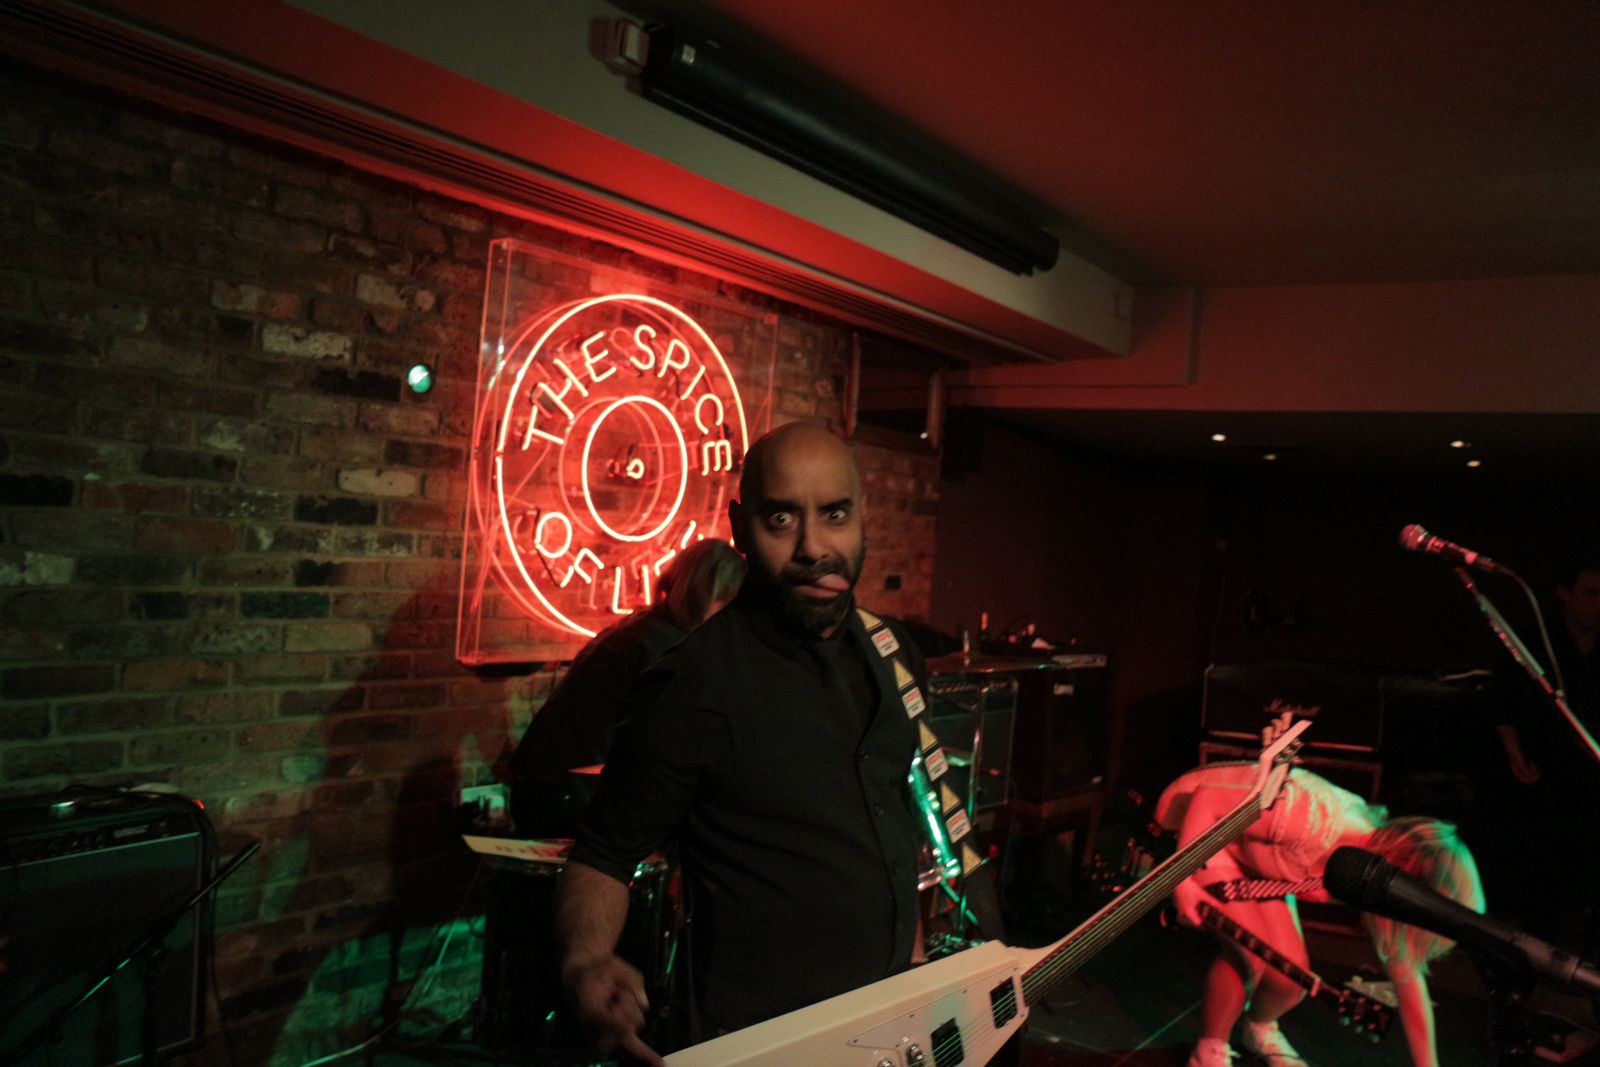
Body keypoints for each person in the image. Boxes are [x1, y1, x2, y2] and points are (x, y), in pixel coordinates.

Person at [554, 422, 930, 1064]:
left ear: (862, 516)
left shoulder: (894, 655)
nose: (813, 546)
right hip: (760, 1040)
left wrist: (915, 969)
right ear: (739, 527)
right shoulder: (694, 684)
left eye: (834, 514)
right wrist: (586, 959)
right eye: (781, 518)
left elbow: (888, 829)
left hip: (887, 1029)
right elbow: (604, 852)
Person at [1159, 715, 1485, 1067]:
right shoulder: (1316, 822)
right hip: (1202, 825)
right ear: (1409, 864)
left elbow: (1406, 974)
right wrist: (1181, 880)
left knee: (1289, 980)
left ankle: (1260, 1028)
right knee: (1251, 955)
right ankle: (1209, 1051)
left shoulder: (1374, 872)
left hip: (1257, 858)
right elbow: (1208, 800)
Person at [507, 538, 746, 836]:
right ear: (704, 594)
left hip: (545, 782)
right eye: (727, 601)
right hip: (573, 793)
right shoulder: (666, 647)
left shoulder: (642, 628)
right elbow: (670, 744)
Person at [1488, 560, 1600, 949]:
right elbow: (1501, 703)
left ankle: (1585, 958)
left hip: (1591, 777)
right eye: (1590, 593)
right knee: (1541, 873)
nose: (1598, 604)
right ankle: (1536, 947)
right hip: (1543, 773)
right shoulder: (1534, 640)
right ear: (1564, 594)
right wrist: (1514, 754)